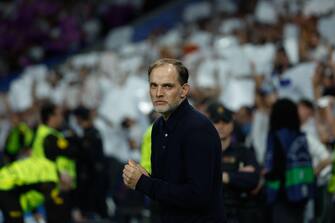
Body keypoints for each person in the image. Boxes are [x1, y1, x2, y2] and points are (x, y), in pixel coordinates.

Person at [122, 58, 224, 222]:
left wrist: (143, 183)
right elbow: (169, 186)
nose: (158, 93)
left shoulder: (198, 129)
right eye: (153, 85)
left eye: (167, 86)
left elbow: (197, 196)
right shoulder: (158, 127)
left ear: (184, 90)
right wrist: (147, 178)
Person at [207, 102, 262, 223]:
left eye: (225, 122)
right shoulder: (202, 152)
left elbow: (253, 179)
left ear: (232, 125)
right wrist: (236, 174)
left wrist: (226, 177)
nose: (221, 126)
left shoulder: (243, 152)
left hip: (238, 213)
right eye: (217, 122)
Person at [264, 98, 315, 223]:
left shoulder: (278, 136)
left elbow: (278, 168)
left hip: (283, 195)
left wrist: (265, 174)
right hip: (300, 193)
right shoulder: (300, 136)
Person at [72, 106, 108, 219]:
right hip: (91, 183)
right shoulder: (90, 134)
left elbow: (91, 160)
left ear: (79, 118)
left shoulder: (91, 136)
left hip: (91, 185)